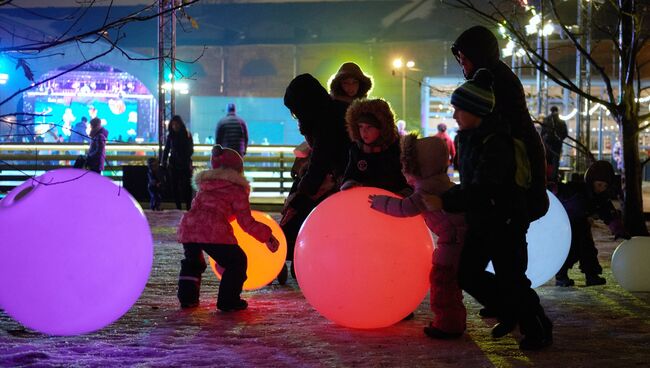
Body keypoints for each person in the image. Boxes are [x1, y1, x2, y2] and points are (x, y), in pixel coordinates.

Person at [436, 69, 552, 350]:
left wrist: (444, 200)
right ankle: (512, 311)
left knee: (510, 279)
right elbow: (473, 185)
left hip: (506, 220)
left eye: (458, 110)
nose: (454, 116)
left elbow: (482, 187)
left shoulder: (496, 142)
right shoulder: (469, 137)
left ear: (475, 111)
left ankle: (536, 329)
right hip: (483, 218)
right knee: (469, 275)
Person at [369, 134, 467, 339]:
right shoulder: (441, 182)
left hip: (452, 242)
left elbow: (404, 208)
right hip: (459, 240)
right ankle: (453, 321)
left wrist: (378, 202)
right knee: (452, 285)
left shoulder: (426, 189)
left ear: (418, 167)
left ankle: (448, 325)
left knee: (442, 283)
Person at [451, 25, 549, 223]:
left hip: (507, 191)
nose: (463, 66)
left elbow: (496, 154)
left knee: (505, 241)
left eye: (465, 60)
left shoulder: (496, 87)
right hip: (504, 192)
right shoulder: (495, 79)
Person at [176, 145, 280, 311]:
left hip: (189, 227)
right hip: (213, 229)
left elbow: (197, 208)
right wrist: (267, 236)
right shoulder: (237, 190)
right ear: (239, 169)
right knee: (236, 261)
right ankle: (228, 300)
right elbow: (246, 222)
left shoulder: (206, 185)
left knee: (193, 262)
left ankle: (187, 298)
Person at [279, 74, 351, 283]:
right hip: (338, 175)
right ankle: (292, 255)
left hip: (340, 179)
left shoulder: (326, 121)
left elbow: (322, 159)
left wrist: (303, 192)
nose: (295, 115)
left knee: (300, 209)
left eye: (295, 110)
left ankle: (290, 253)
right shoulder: (332, 112)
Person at [554, 160, 629, 287]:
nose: (601, 189)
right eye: (599, 185)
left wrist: (618, 229)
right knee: (570, 251)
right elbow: (557, 191)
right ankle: (561, 275)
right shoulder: (575, 189)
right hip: (566, 226)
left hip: (582, 225)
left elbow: (609, 214)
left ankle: (592, 276)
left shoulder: (601, 198)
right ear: (591, 180)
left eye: (605, 186)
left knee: (588, 250)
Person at [340, 98, 410, 195]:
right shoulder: (357, 150)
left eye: (369, 127)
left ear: (382, 128)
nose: (364, 132)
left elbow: (407, 181)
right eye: (360, 126)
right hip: (363, 200)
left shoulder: (397, 149)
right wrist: (350, 184)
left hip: (393, 202)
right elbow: (349, 175)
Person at [163, 115, 194, 211]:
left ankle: (188, 206)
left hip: (184, 164)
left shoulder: (187, 134)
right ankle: (178, 208)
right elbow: (167, 149)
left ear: (180, 125)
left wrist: (185, 157)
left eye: (176, 124)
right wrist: (163, 161)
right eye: (173, 124)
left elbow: (191, 149)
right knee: (175, 186)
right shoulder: (171, 136)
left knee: (187, 187)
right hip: (174, 164)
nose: (175, 126)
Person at [541, 106, 568, 183]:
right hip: (556, 145)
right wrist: (560, 138)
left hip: (548, 145)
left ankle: (547, 177)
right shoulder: (561, 122)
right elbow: (565, 134)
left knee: (547, 161)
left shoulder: (546, 120)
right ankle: (554, 178)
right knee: (555, 162)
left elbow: (542, 133)